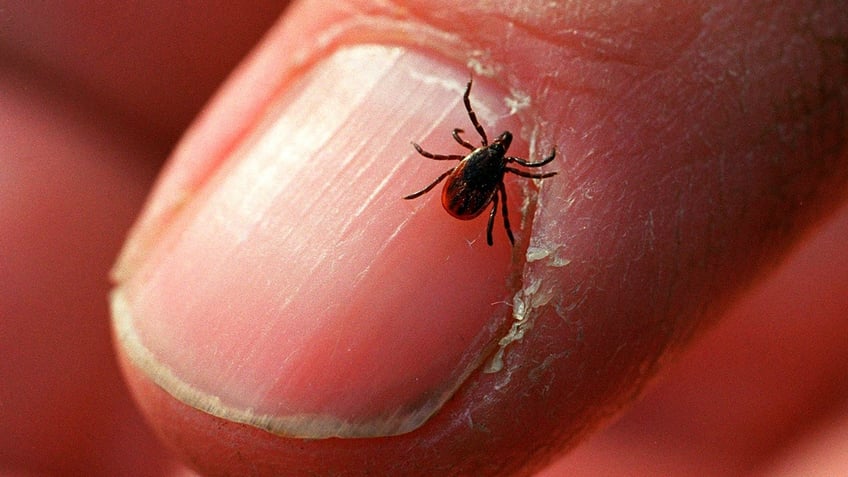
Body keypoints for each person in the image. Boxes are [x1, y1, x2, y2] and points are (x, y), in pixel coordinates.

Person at [3, 1, 847, 475]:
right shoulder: (496, 169)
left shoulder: (476, 158)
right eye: (498, 150)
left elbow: (461, 161)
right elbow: (488, 167)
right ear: (489, 154)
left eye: (499, 153)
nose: (498, 154)